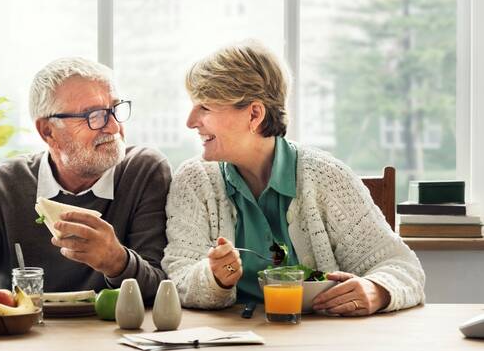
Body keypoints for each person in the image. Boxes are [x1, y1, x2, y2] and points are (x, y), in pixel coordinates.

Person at [162, 40, 425, 315]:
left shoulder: (327, 177)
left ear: (254, 114)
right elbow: (178, 276)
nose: (191, 121)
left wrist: (377, 289)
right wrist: (214, 277)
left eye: (204, 107)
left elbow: (402, 266)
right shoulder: (194, 181)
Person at [0, 57, 171, 303]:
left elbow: (163, 290)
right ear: (48, 131)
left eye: (115, 109)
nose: (114, 127)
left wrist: (117, 261)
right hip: (22, 338)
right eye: (93, 115)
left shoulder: (144, 171)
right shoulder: (3, 185)